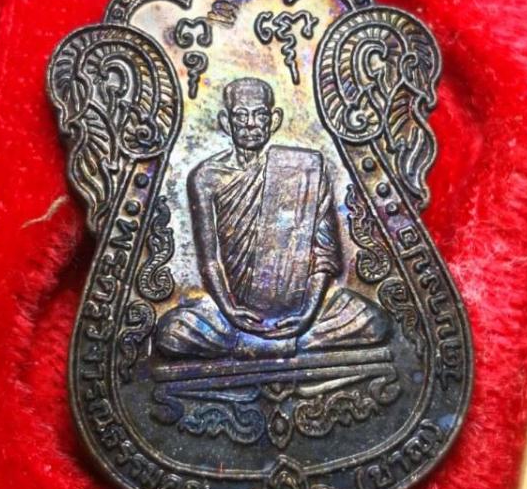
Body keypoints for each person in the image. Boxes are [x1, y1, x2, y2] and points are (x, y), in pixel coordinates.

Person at [157, 77, 392, 360]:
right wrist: (230, 311)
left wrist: (307, 314)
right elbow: (209, 260)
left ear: (274, 120)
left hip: (303, 312)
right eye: (241, 116)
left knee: (373, 323)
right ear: (226, 122)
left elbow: (323, 253)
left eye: (260, 115)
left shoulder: (304, 169)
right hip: (231, 313)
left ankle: (269, 343)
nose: (250, 124)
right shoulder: (206, 177)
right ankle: (276, 343)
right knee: (172, 333)